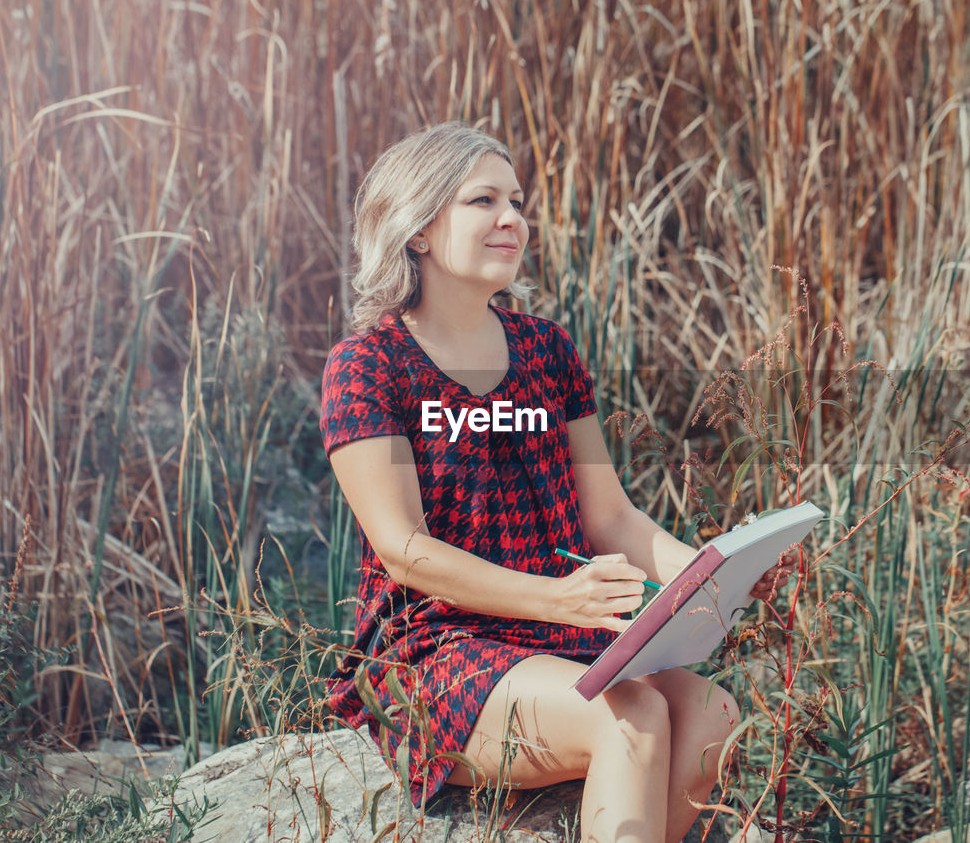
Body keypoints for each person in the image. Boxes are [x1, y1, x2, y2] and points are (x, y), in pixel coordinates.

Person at [321, 122, 791, 843]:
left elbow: (613, 517)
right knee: (629, 714)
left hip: (560, 636)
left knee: (711, 715)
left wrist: (708, 575)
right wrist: (558, 596)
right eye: (483, 200)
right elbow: (402, 548)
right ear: (416, 229)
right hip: (434, 649)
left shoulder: (546, 349)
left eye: (516, 199)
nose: (514, 218)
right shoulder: (370, 365)